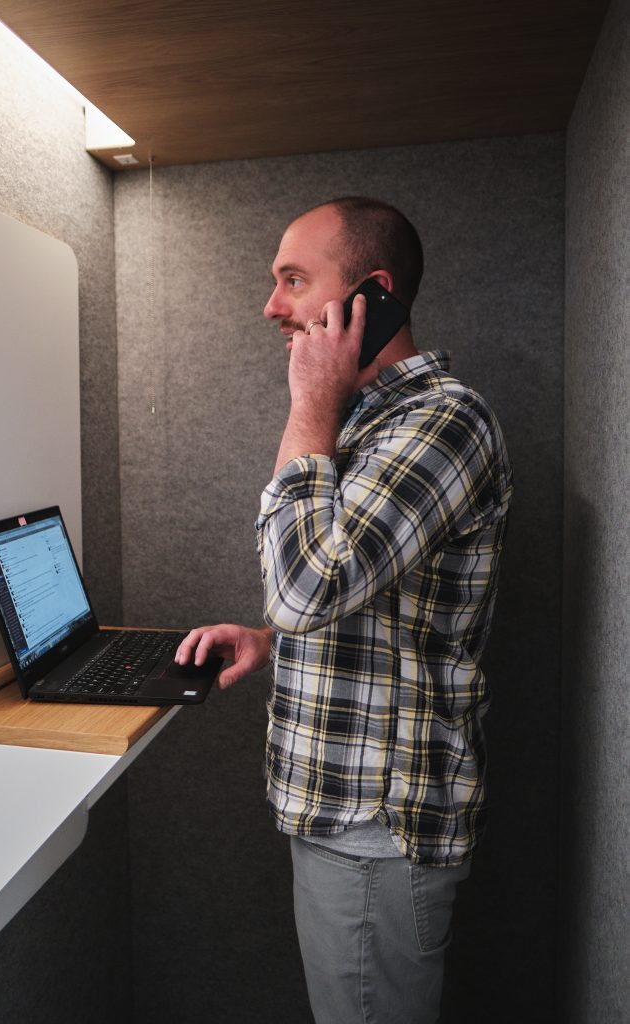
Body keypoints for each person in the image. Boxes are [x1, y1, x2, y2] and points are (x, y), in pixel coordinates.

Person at [176, 197, 513, 1024]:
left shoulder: (441, 421)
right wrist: (267, 638)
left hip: (374, 828)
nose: (271, 306)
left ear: (373, 293)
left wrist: (310, 409)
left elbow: (304, 589)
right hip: (345, 814)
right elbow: (354, 599)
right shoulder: (368, 423)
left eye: (293, 280)